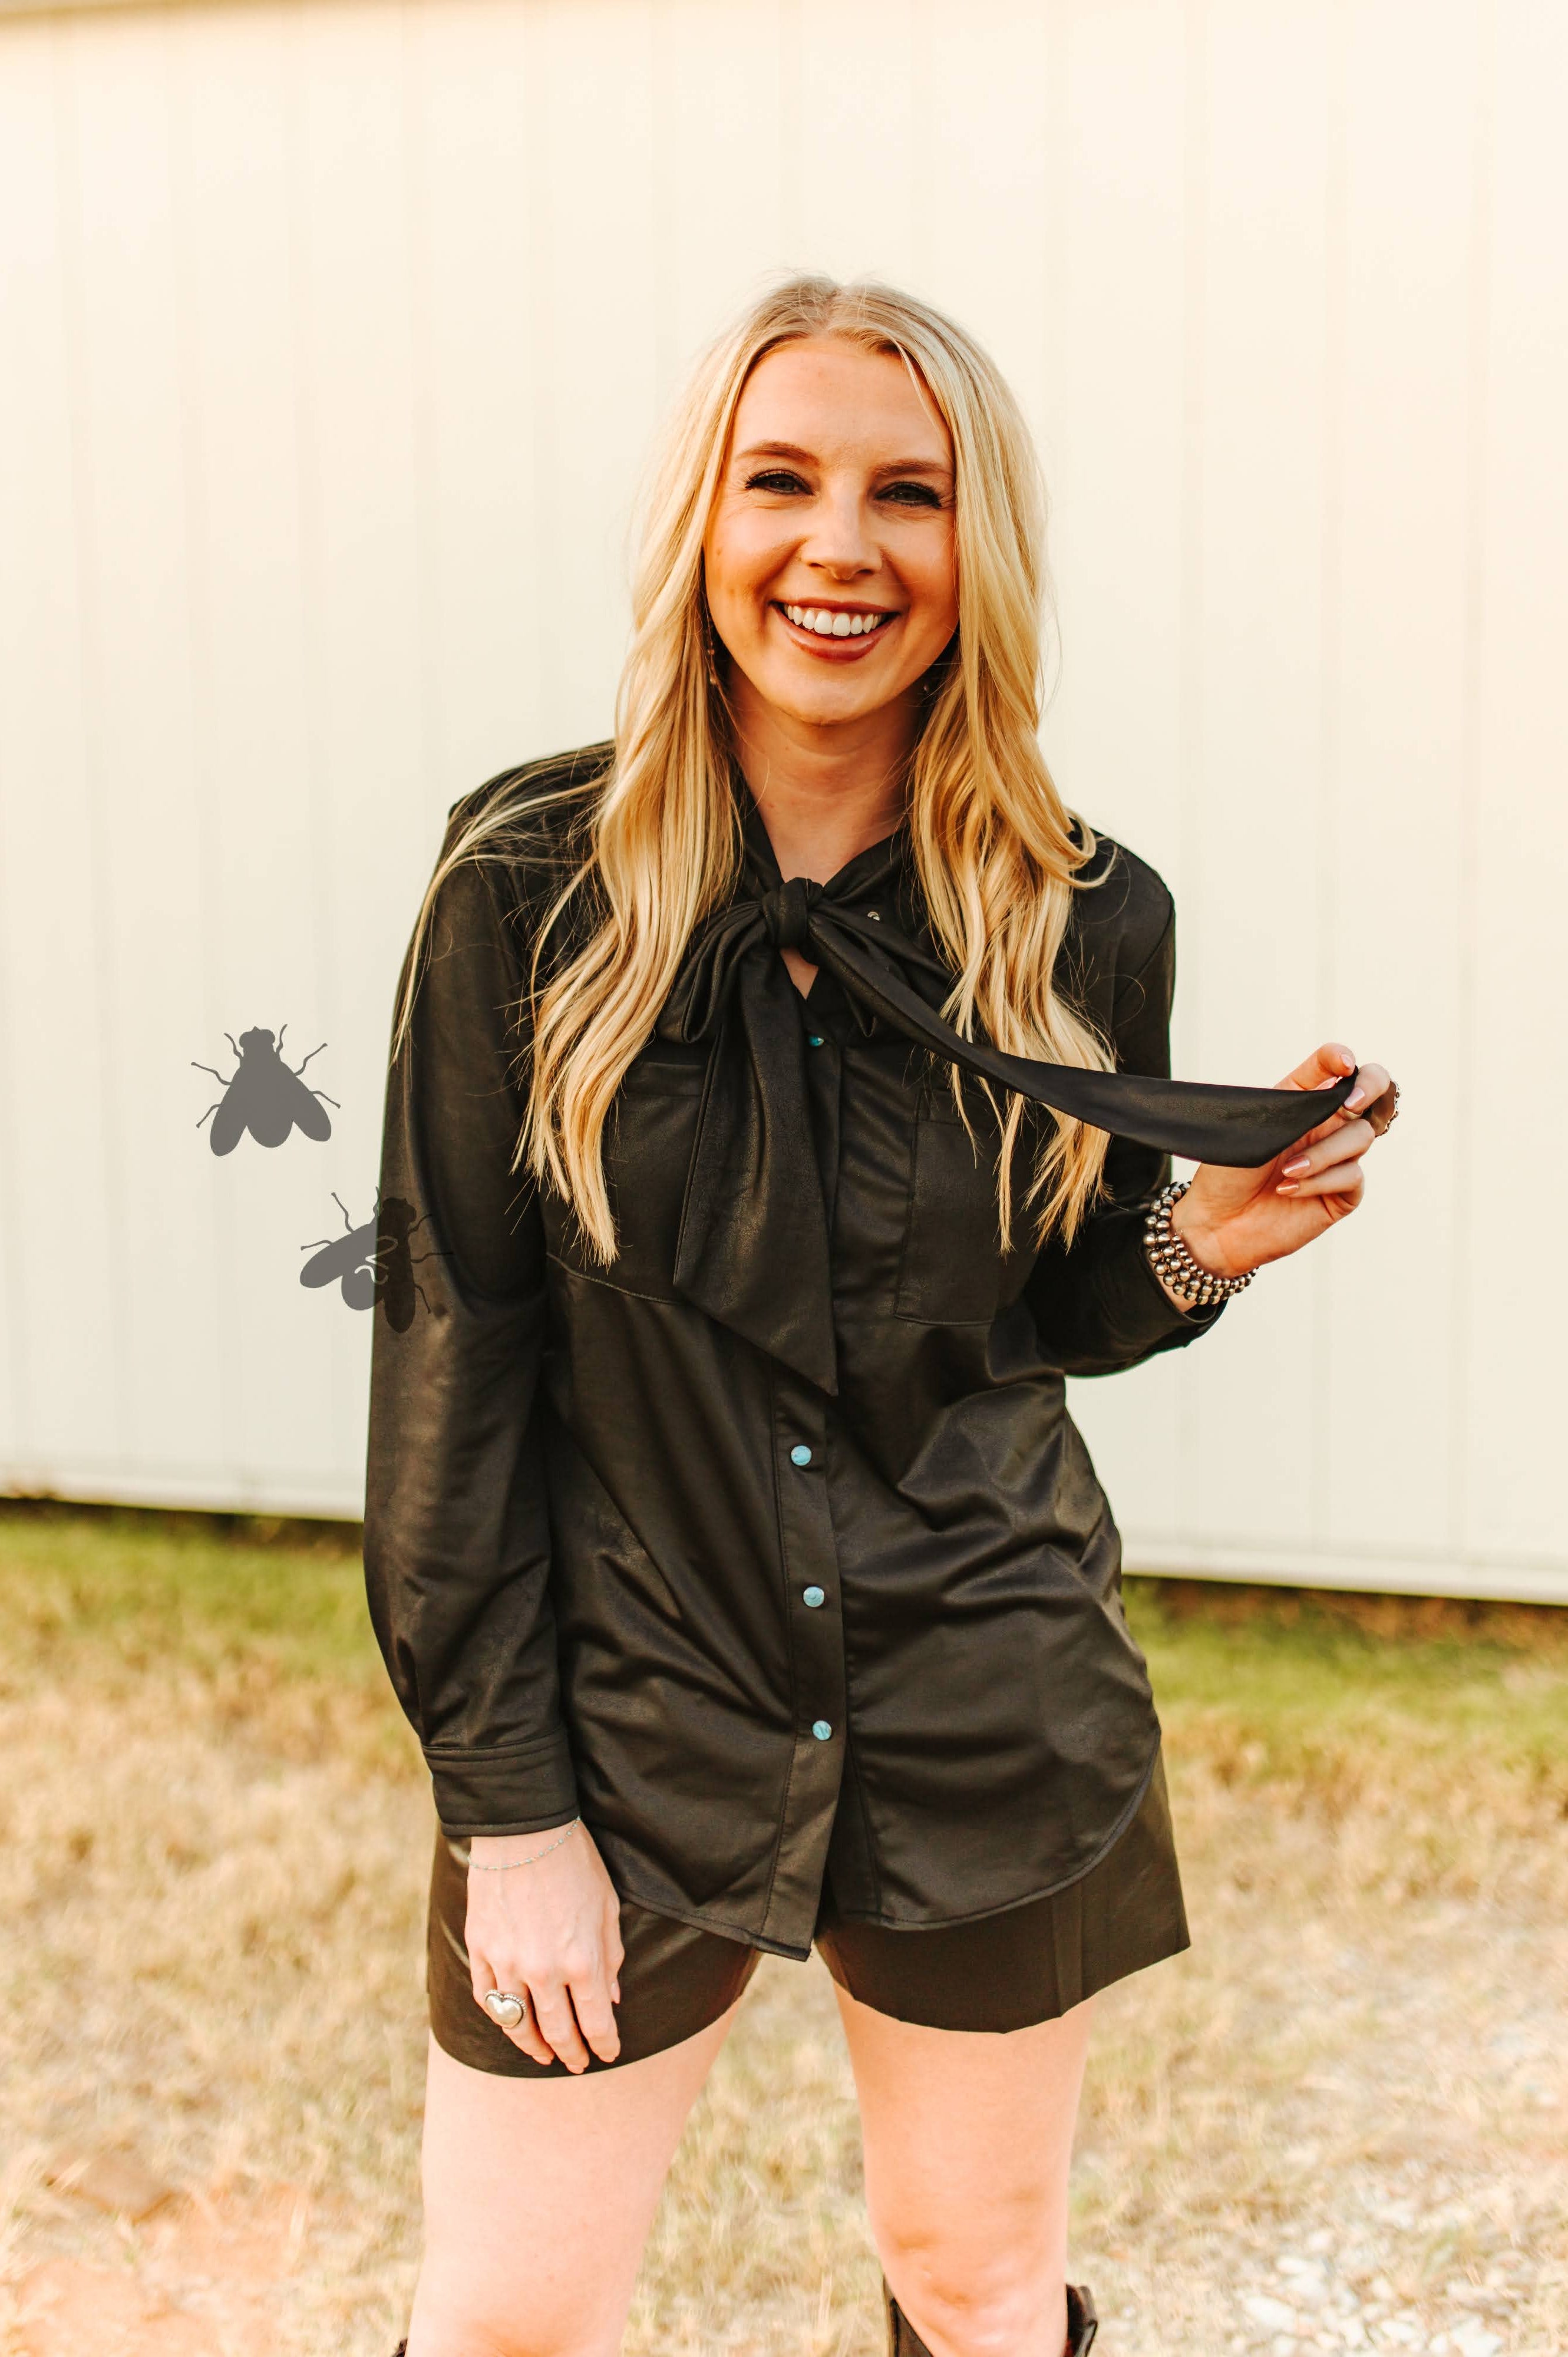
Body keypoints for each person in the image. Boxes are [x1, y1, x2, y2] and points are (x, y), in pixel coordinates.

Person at [364, 275, 1395, 2357]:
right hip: (632, 1701)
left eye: (907, 494)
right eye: (785, 481)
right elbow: (453, 1363)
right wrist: (509, 1809)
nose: (841, 546)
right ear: (705, 524)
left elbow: (1043, 1311)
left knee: (976, 2280)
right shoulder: (522, 890)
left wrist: (1204, 1242)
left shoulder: (1085, 910)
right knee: (506, 2322)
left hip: (983, 1690)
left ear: (974, 548)